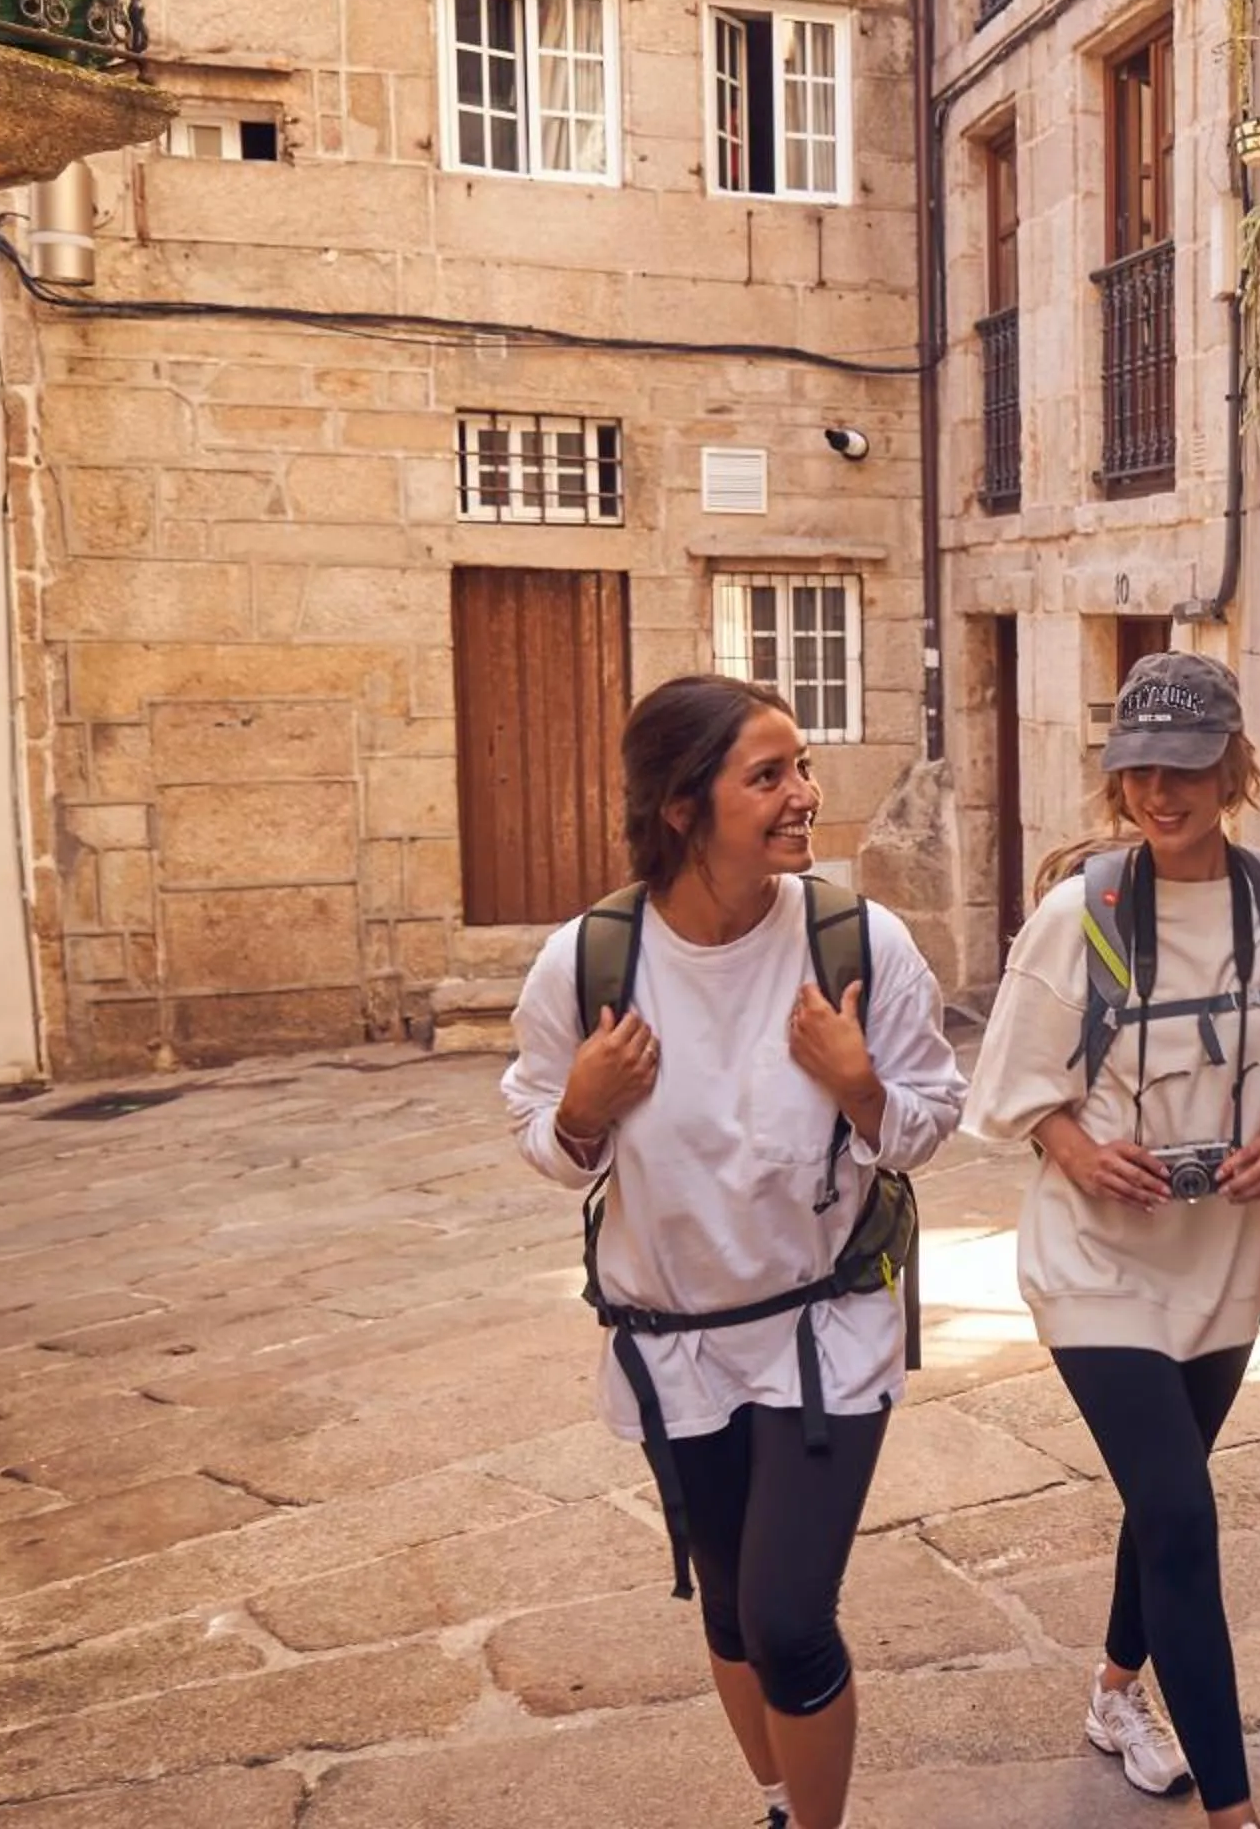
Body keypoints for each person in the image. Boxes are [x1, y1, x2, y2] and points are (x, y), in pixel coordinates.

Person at [502, 675, 964, 1829]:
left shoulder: (857, 942)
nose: (805, 792)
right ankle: (778, 1799)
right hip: (675, 1345)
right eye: (768, 775)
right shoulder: (589, 961)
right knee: (728, 1610)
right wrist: (580, 1107)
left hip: (827, 1328)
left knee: (789, 1618)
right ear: (681, 806)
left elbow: (933, 1117)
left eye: (800, 765)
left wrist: (862, 1087)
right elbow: (543, 1133)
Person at [967, 651, 1260, 1829]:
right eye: (1139, 766)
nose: (1159, 791)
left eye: (1185, 767)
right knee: (1184, 1512)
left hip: (1223, 1254)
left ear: (1233, 769)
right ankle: (1234, 1811)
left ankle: (1112, 1693)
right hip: (1094, 1259)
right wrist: (1080, 1151)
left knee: (1164, 1496)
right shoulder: (1078, 914)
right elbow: (1014, 1086)